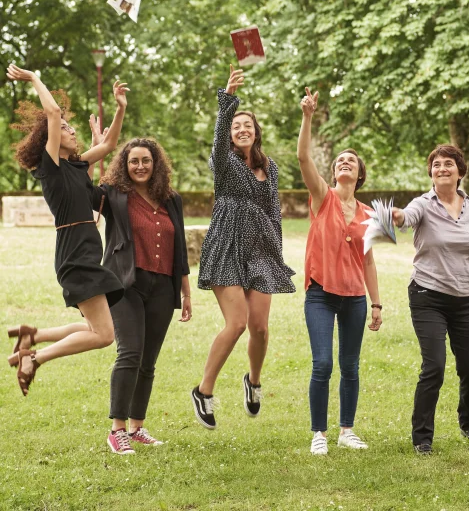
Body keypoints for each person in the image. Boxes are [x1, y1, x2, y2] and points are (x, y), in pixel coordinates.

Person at [6, 64, 128, 396]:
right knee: (104, 335)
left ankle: (33, 335)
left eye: (71, 127)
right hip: (75, 252)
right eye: (64, 129)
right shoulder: (53, 168)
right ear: (52, 139)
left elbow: (109, 145)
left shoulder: (75, 167)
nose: (71, 130)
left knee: (94, 327)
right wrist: (33, 77)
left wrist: (120, 109)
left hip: (84, 248)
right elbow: (53, 110)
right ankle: (35, 357)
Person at [192, 65, 295, 429]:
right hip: (226, 246)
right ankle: (204, 391)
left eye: (247, 125)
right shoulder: (223, 163)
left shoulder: (271, 168)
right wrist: (228, 104)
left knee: (261, 329)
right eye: (237, 125)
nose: (241, 129)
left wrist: (277, 254)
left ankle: (253, 382)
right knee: (235, 324)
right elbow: (219, 139)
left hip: (261, 250)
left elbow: (274, 211)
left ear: (256, 132)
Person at [88, 133, 192, 455]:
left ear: (155, 163)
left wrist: (186, 292)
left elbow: (180, 248)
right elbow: (83, 189)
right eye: (134, 161)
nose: (140, 166)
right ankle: (117, 430)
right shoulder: (114, 194)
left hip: (162, 287)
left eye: (146, 160)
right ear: (125, 164)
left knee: (148, 361)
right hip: (125, 285)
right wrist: (97, 148)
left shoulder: (171, 198)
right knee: (130, 353)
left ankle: (137, 428)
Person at [391, 145, 469, 455]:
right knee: (434, 366)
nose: (442, 168)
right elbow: (407, 217)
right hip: (428, 295)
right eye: (436, 164)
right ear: (431, 173)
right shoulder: (423, 204)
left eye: (448, 164)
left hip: (466, 297)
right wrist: (397, 216)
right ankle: (422, 437)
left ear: (460, 171)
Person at [297, 87, 383, 456]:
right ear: (333, 172)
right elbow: (303, 158)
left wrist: (376, 304)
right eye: (339, 161)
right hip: (320, 293)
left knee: (350, 365)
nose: (344, 162)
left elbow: (368, 260)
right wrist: (307, 117)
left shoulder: (369, 214)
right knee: (323, 362)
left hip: (355, 299)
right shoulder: (322, 196)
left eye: (352, 160)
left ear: (360, 173)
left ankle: (347, 430)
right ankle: (320, 433)